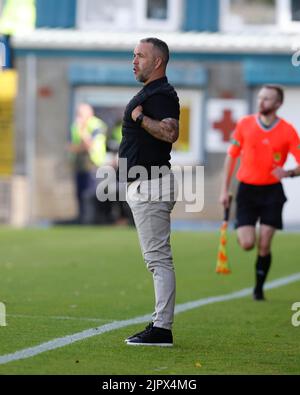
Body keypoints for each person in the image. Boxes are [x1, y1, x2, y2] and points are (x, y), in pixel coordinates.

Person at [118, 37, 180, 346]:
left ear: (158, 62)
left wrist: (140, 118)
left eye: (140, 56)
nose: (134, 61)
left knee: (158, 259)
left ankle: (162, 329)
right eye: (133, 55)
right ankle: (160, 323)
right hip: (145, 183)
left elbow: (170, 132)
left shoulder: (161, 94)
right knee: (156, 258)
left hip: (151, 182)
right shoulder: (151, 93)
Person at [220, 85, 300, 301]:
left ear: (278, 104)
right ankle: (246, 233)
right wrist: (224, 190)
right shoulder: (245, 124)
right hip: (246, 190)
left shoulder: (288, 130)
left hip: (272, 192)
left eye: (267, 99)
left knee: (264, 243)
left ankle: (258, 288)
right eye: (260, 97)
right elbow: (231, 157)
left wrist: (290, 172)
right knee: (247, 244)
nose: (261, 101)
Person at [68, 103, 108, 224]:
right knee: (79, 193)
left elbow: (89, 144)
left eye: (81, 114)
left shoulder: (97, 125)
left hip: (93, 164)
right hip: (79, 164)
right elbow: (70, 147)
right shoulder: (75, 126)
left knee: (90, 194)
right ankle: (82, 218)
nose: (78, 117)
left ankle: (91, 220)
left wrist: (83, 132)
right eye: (77, 114)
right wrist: (80, 146)